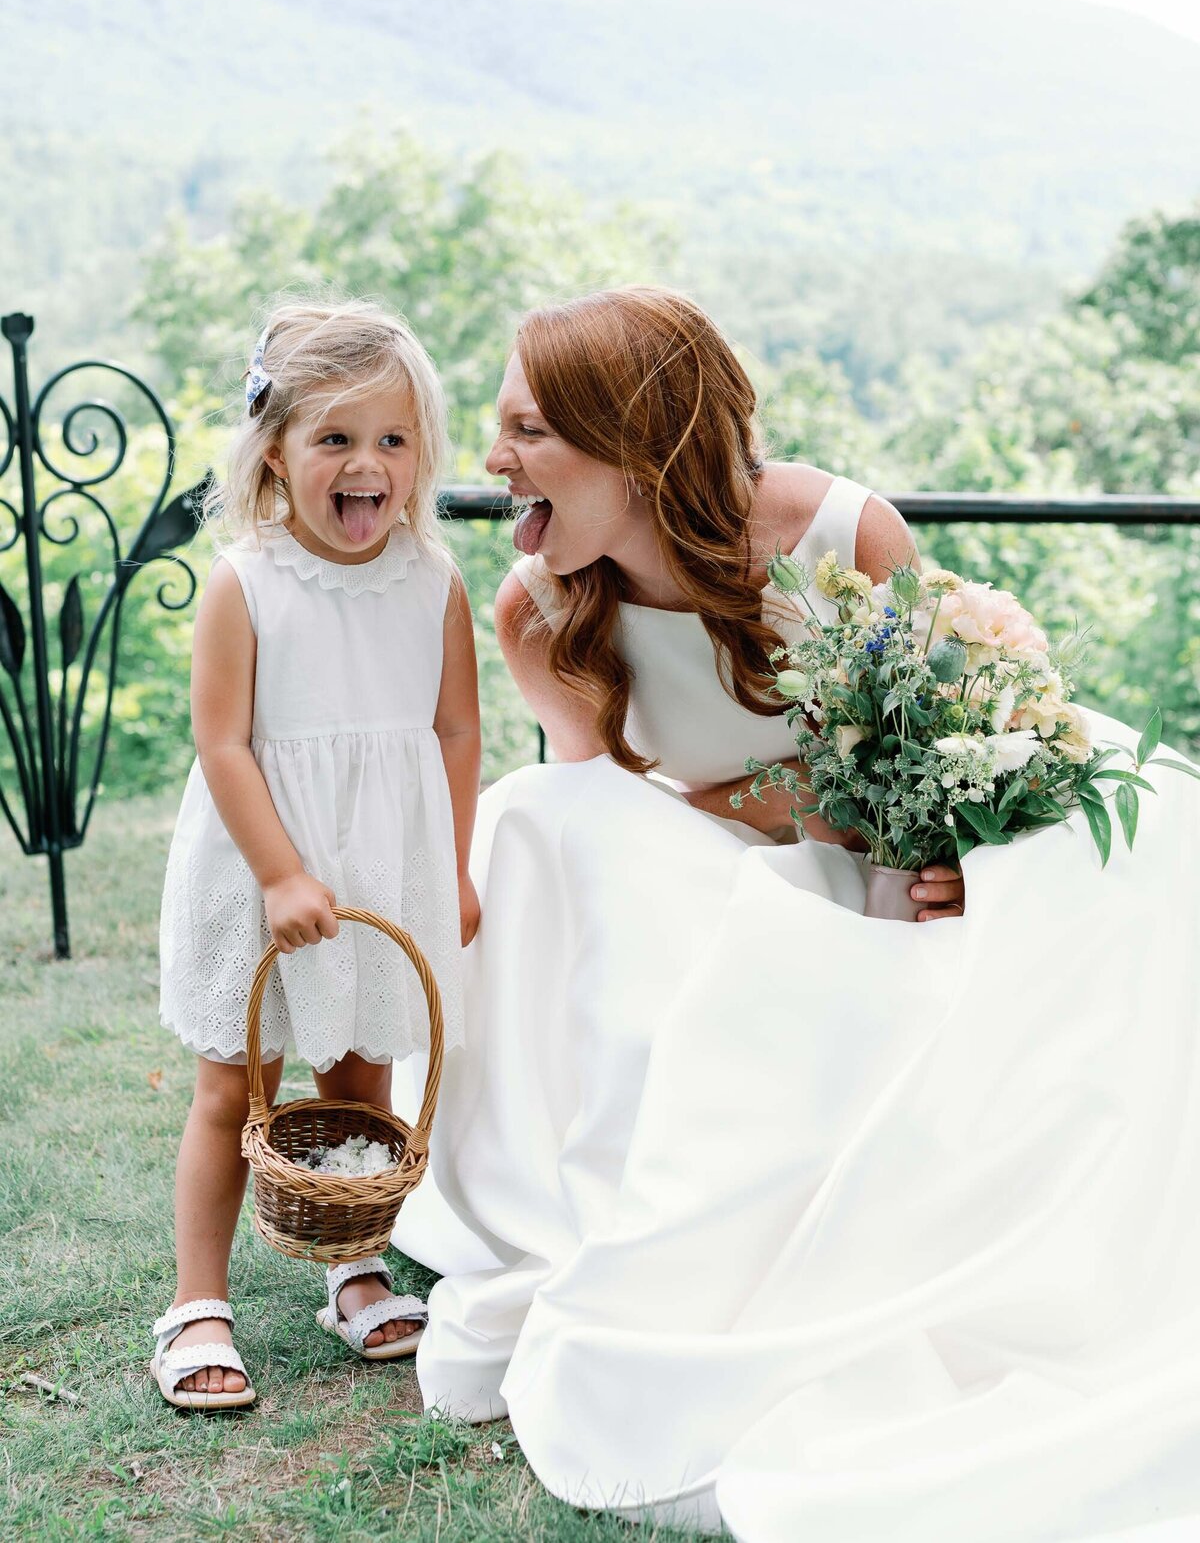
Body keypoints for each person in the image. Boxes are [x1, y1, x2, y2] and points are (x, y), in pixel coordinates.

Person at [395, 287, 1200, 1542]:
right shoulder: (537, 616)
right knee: (535, 820)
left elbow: (941, 743)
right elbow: (617, 819)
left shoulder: (837, 533)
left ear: (636, 442)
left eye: (529, 430)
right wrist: (765, 800)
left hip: (882, 857)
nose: (493, 462)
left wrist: (941, 858)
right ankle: (604, 1201)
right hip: (704, 879)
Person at [153, 298, 480, 1410]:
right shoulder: (247, 582)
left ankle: (356, 1264)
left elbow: (453, 734)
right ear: (274, 450)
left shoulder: (432, 585)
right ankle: (198, 1300)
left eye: (391, 441)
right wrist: (285, 872)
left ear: (419, 457)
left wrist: (459, 865)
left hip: (383, 863)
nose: (365, 466)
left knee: (364, 1073)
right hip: (263, 864)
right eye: (334, 438)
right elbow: (224, 742)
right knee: (231, 1087)